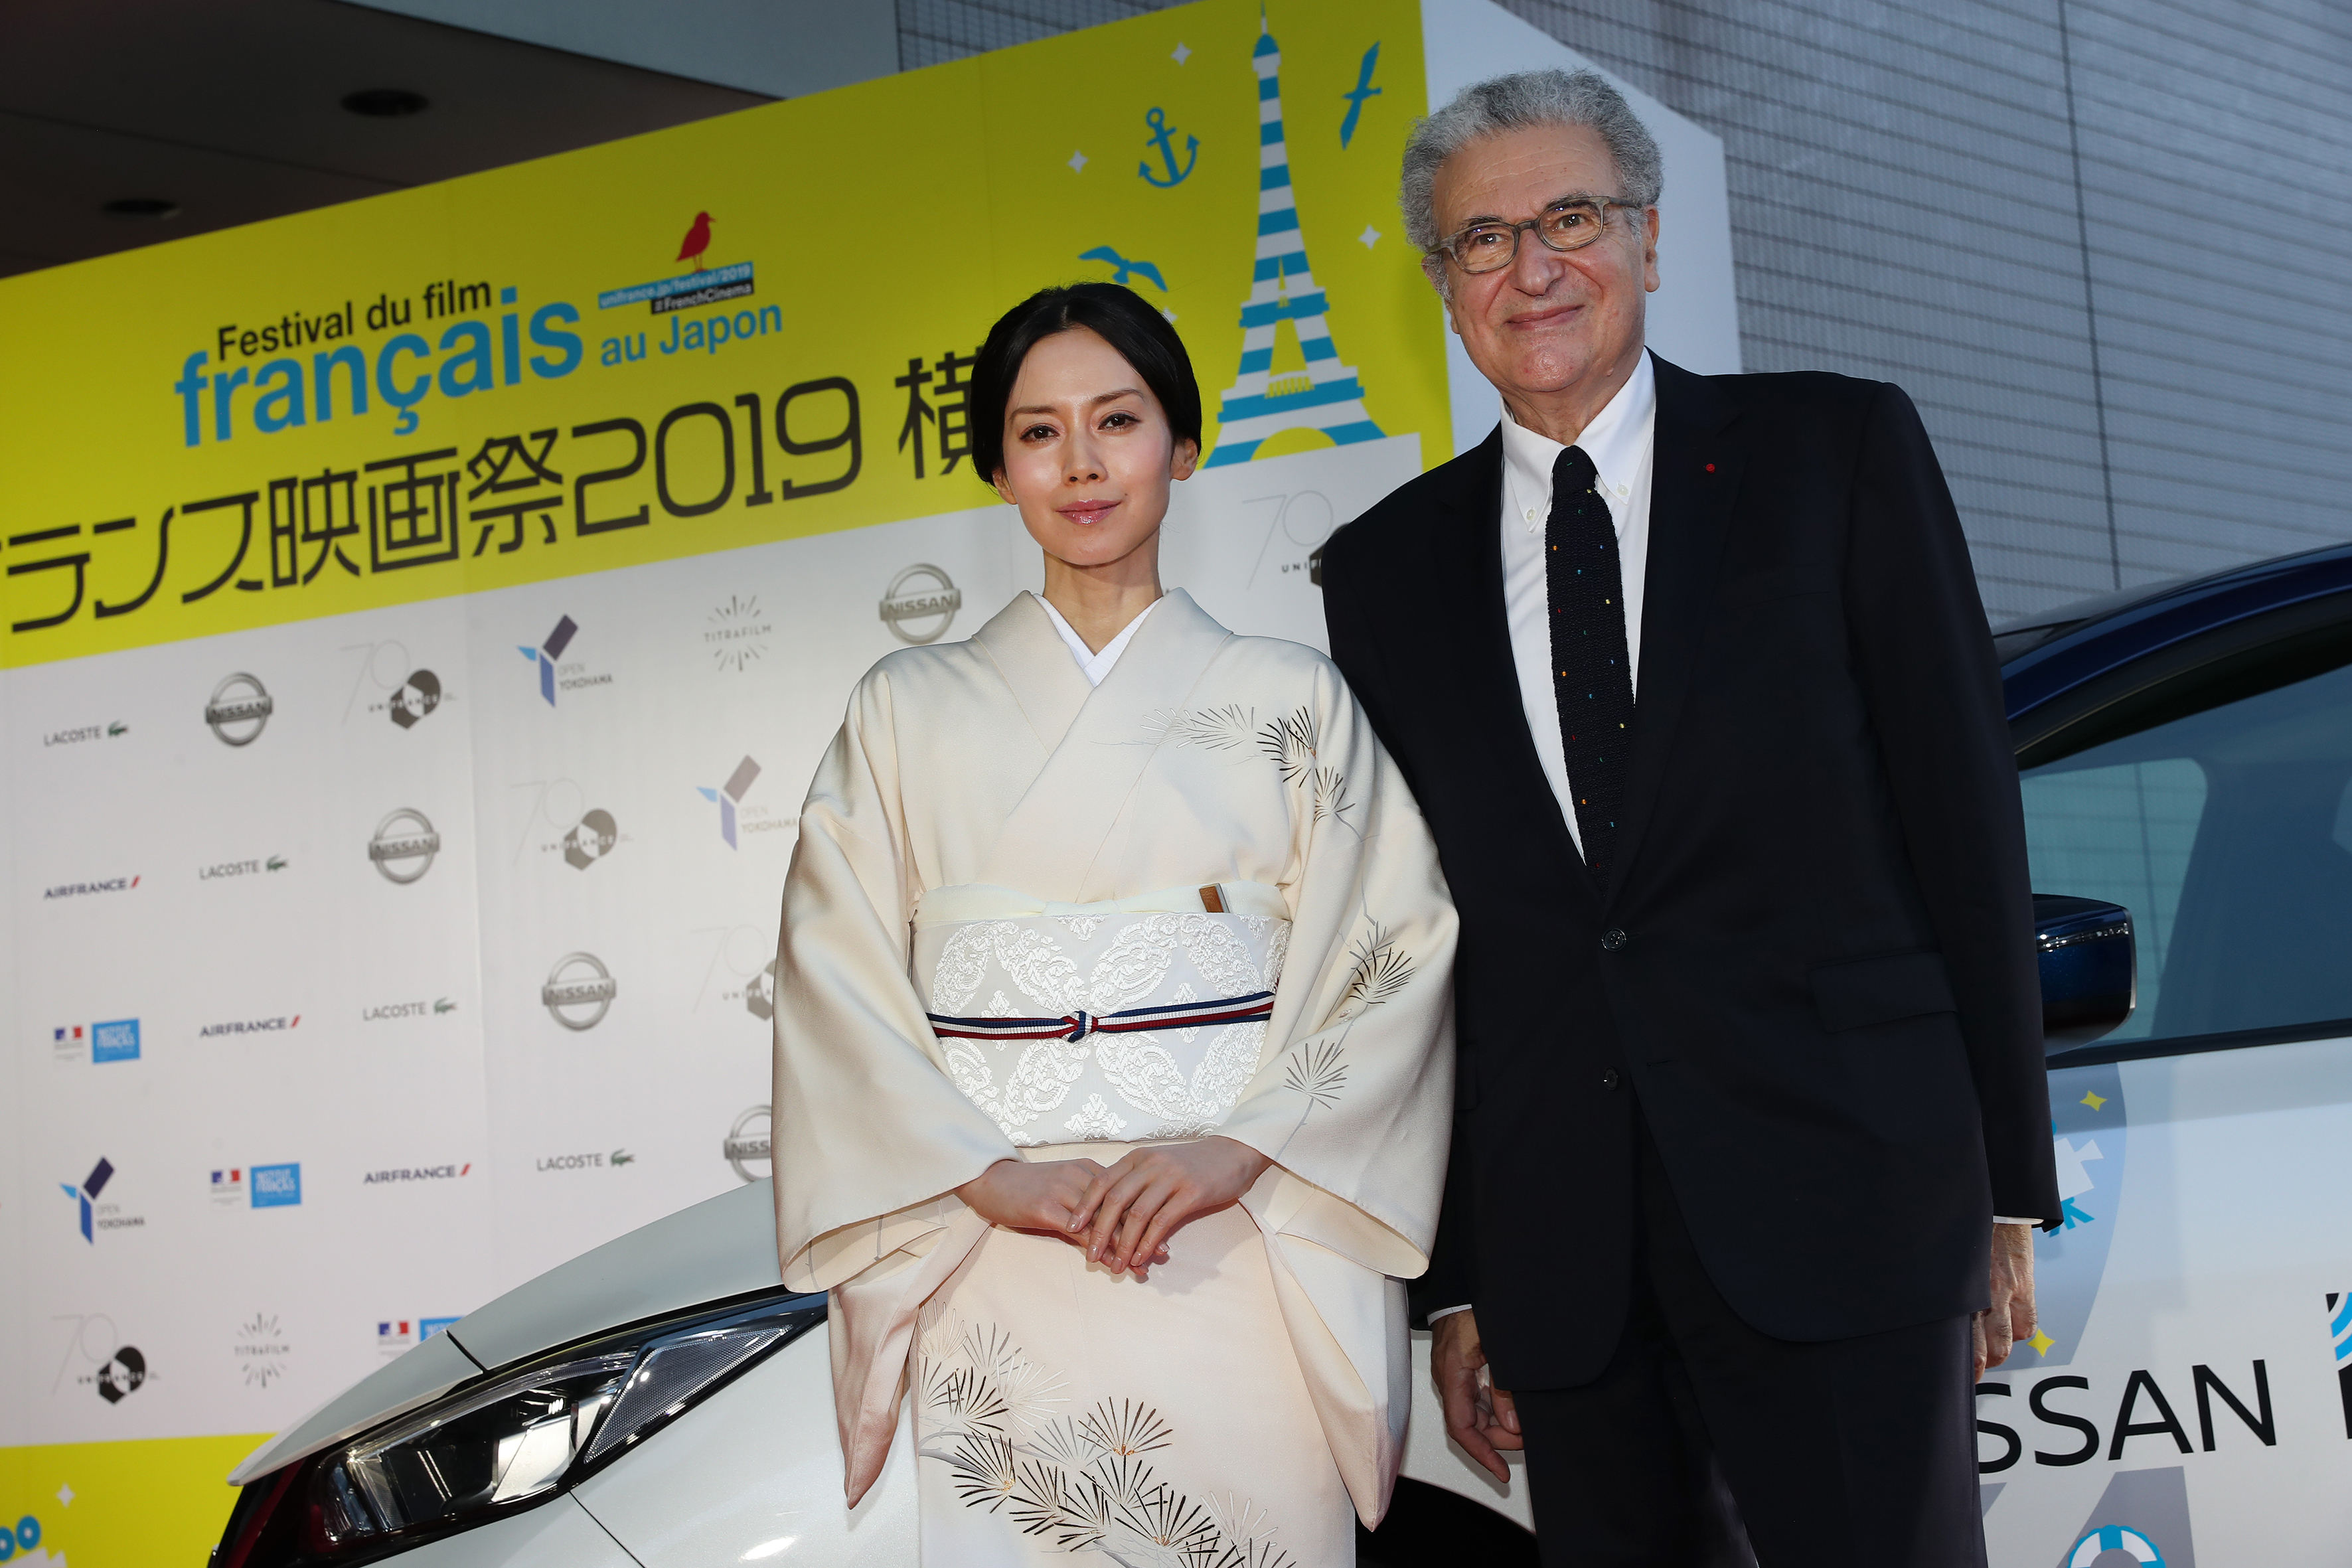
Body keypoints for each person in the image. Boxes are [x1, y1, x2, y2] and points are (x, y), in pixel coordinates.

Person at [1318, 71, 2062, 1565]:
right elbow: (1410, 952)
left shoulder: (1834, 458)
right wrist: (1456, 1277)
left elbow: (1963, 822)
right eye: (1481, 239)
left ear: (1648, 243)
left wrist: (2004, 1182)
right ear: (1438, 284)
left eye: (1569, 218)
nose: (1531, 269)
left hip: (1842, 1193)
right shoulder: (1380, 576)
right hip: (1564, 1257)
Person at [771, 281, 1457, 1565]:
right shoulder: (905, 709)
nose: (1081, 464)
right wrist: (990, 1173)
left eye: (1119, 420)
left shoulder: (1288, 696)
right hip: (991, 1242)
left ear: (1182, 448)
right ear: (997, 467)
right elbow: (836, 976)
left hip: (1232, 1238)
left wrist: (1240, 1149)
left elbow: (1390, 956)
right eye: (1039, 432)